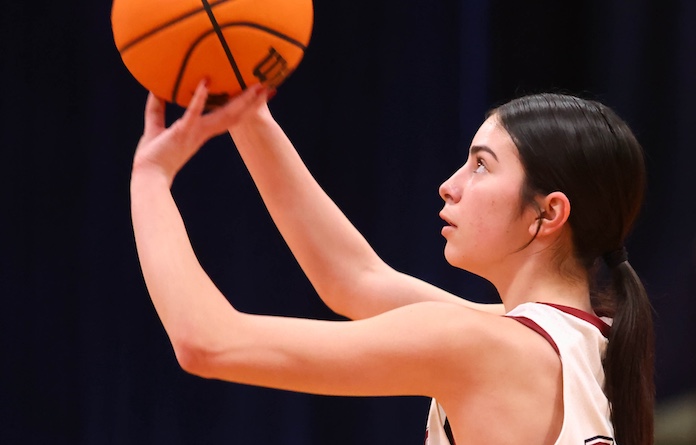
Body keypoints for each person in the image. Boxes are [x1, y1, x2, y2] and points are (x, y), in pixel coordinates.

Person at [130, 80, 655, 445]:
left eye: (480, 166)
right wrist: (248, 115)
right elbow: (355, 279)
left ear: (548, 213)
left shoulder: (480, 344)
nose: (449, 185)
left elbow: (206, 342)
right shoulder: (597, 337)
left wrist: (150, 180)